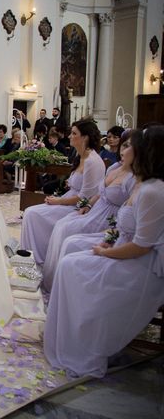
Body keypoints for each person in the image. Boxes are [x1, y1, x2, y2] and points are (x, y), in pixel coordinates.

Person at [44, 126, 164, 378]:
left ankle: (83, 339)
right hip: (123, 247)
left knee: (71, 265)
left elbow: (142, 245)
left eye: (135, 145)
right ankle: (71, 332)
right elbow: (125, 226)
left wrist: (105, 252)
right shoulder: (144, 183)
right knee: (70, 259)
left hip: (141, 267)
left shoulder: (154, 190)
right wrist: (110, 242)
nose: (127, 149)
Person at [42, 133, 136, 291]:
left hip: (108, 216)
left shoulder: (133, 177)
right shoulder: (114, 167)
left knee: (67, 233)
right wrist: (86, 205)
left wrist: (113, 233)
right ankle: (52, 280)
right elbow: (100, 193)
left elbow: (128, 209)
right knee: (62, 224)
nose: (123, 151)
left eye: (128, 147)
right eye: (124, 145)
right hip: (95, 209)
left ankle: (65, 286)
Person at [21, 118, 106, 268]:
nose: (69, 136)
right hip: (69, 199)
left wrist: (57, 201)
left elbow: (84, 198)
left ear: (85, 137)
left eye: (74, 133)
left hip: (79, 208)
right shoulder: (80, 156)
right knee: (30, 213)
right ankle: (31, 256)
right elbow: (78, 185)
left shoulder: (93, 161)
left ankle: (37, 259)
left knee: (32, 213)